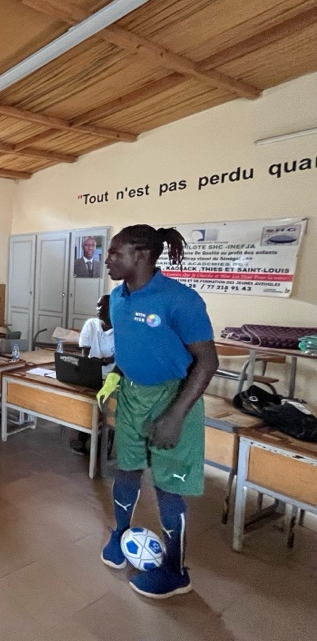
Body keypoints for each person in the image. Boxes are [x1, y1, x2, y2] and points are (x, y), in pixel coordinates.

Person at [99, 225, 218, 599]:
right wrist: (113, 381)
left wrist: (176, 414)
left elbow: (207, 362)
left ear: (143, 256)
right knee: (127, 468)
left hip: (173, 398)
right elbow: (132, 348)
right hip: (132, 396)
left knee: (167, 487)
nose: (108, 259)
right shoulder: (117, 299)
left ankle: (176, 570)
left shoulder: (180, 300)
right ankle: (120, 533)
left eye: (116, 253)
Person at [70, 295, 115, 455]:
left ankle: (106, 441)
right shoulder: (91, 324)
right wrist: (91, 364)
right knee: (87, 400)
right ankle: (82, 436)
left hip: (113, 376)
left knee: (109, 406)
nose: (98, 310)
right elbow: (85, 353)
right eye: (97, 306)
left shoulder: (121, 328)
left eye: (103, 307)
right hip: (93, 373)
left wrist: (109, 359)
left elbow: (123, 356)